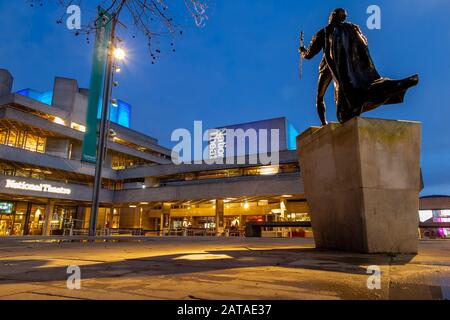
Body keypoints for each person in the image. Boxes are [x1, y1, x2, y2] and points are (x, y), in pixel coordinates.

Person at [300, 8, 418, 124]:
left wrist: (302, 51)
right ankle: (393, 85)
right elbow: (364, 44)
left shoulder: (325, 31)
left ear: (332, 17)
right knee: (355, 89)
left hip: (328, 67)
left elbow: (309, 55)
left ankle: (324, 123)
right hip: (347, 67)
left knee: (320, 97)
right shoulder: (351, 29)